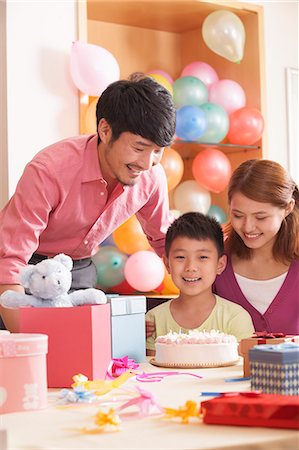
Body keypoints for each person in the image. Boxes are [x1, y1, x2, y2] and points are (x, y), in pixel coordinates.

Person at [0, 77, 176, 331]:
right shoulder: (48, 171)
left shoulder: (150, 176)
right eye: (140, 148)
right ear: (105, 130)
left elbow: (165, 242)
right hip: (27, 270)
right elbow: (10, 262)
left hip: (79, 270)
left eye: (159, 151)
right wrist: (32, 345)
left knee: (81, 355)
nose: (148, 163)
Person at [146, 212, 254, 356]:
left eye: (202, 257)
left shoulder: (235, 317)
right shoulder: (153, 320)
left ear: (220, 264)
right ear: (167, 264)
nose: (191, 267)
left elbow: (242, 369)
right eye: (180, 257)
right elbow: (150, 371)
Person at [213, 159, 299, 335]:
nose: (248, 227)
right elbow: (190, 317)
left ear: (288, 208)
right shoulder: (215, 260)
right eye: (238, 215)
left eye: (260, 217)